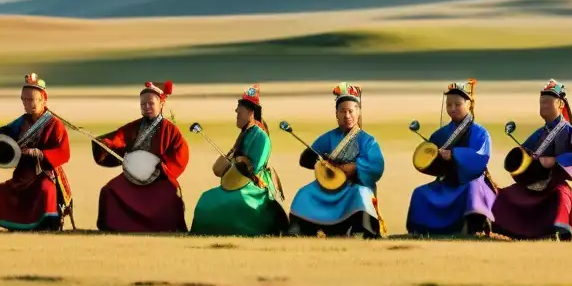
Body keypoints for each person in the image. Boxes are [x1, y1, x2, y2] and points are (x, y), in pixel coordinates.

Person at [491, 80, 572, 240]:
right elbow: (526, 154)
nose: (543, 105)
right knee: (509, 194)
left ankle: (560, 226)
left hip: (560, 182)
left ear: (560, 105)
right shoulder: (539, 133)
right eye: (541, 102)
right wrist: (523, 159)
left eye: (547, 102)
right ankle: (504, 224)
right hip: (538, 182)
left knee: (560, 196)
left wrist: (554, 161)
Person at [0, 73, 73, 231]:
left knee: (45, 190)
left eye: (32, 99)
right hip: (22, 173)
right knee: (0, 191)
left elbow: (63, 152)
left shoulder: (54, 124)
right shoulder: (21, 121)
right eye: (24, 99)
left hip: (43, 172)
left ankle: (47, 222)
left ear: (43, 100)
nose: (27, 103)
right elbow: (4, 134)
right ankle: (12, 222)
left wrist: (38, 153)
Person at [287, 83, 386, 237]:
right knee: (305, 193)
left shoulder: (367, 141)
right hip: (327, 187)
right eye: (343, 111)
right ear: (336, 114)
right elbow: (308, 158)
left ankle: (362, 230)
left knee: (362, 195)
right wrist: (314, 158)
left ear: (357, 113)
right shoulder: (328, 138)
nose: (347, 116)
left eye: (351, 111)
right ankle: (298, 228)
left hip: (353, 187)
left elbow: (377, 166)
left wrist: (355, 167)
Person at [190, 85, 288, 235]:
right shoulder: (244, 134)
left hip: (253, 186)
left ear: (250, 112)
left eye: (239, 109)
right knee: (207, 198)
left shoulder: (261, 137)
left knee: (235, 202)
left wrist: (238, 162)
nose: (236, 112)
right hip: (235, 182)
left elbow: (253, 171)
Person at [93, 81, 189, 232]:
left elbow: (180, 154)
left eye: (151, 103)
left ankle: (167, 228)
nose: (146, 107)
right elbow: (119, 138)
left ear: (161, 104)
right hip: (132, 177)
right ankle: (114, 226)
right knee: (109, 191)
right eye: (143, 104)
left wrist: (161, 169)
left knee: (170, 194)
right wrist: (106, 143)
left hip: (159, 178)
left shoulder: (170, 130)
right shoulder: (134, 126)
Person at [406, 80, 498, 236]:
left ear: (469, 104)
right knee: (420, 193)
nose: (452, 108)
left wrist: (454, 154)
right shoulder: (441, 133)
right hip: (447, 182)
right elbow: (431, 160)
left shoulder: (480, 133)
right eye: (449, 105)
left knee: (473, 189)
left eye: (457, 104)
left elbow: (480, 158)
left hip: (470, 181)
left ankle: (472, 227)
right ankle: (420, 230)